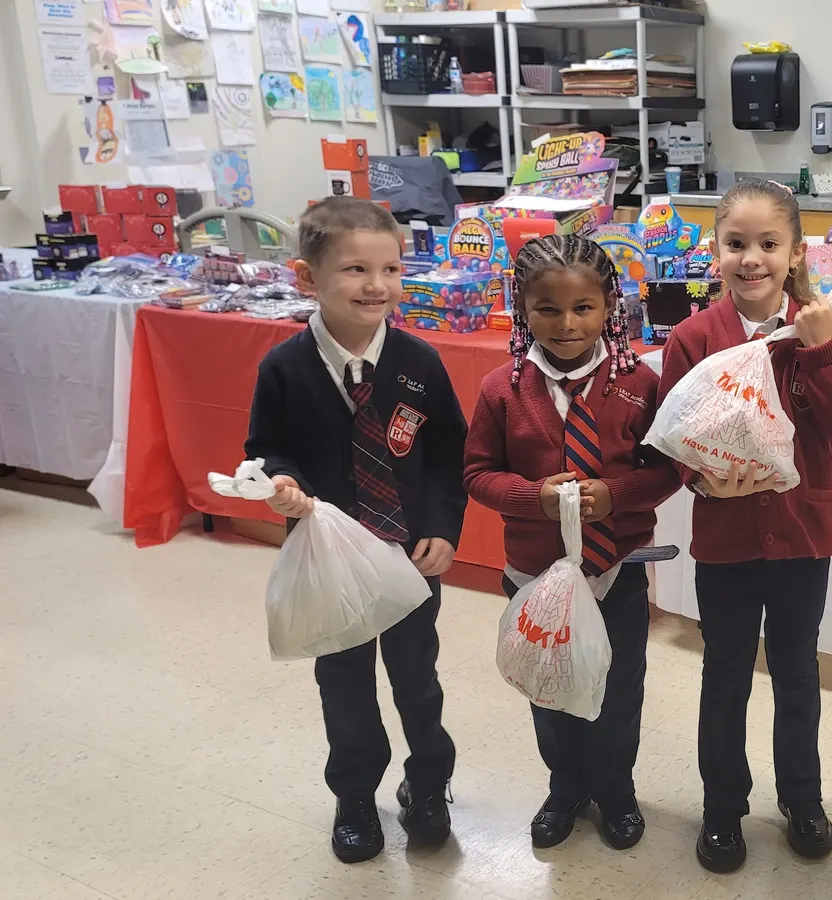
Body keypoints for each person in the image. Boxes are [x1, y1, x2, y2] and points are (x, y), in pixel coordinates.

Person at [245, 196, 468, 863]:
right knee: (342, 685)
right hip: (327, 563)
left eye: (391, 269)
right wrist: (280, 482)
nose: (377, 286)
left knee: (417, 682)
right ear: (306, 277)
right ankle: (353, 794)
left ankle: (428, 786)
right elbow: (266, 449)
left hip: (407, 559)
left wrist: (441, 527)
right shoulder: (282, 369)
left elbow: (448, 454)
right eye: (355, 270)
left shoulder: (418, 362)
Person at [657, 179, 832, 873]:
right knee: (724, 675)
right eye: (736, 244)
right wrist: (701, 479)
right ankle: (723, 810)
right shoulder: (693, 338)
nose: (752, 259)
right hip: (726, 539)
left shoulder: (820, 326)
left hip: (802, 536)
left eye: (768, 245)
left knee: (797, 672)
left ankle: (801, 799)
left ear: (795, 252)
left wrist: (817, 350)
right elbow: (672, 437)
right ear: (715, 250)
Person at [463, 234, 679, 851]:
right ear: (521, 307)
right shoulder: (500, 390)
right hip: (534, 571)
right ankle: (565, 786)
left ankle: (615, 788)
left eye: (583, 307)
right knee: (549, 681)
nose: (565, 323)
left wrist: (617, 494)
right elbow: (477, 472)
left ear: (609, 305)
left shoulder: (639, 382)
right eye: (547, 309)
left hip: (616, 569)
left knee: (619, 685)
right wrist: (531, 495)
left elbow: (667, 469)